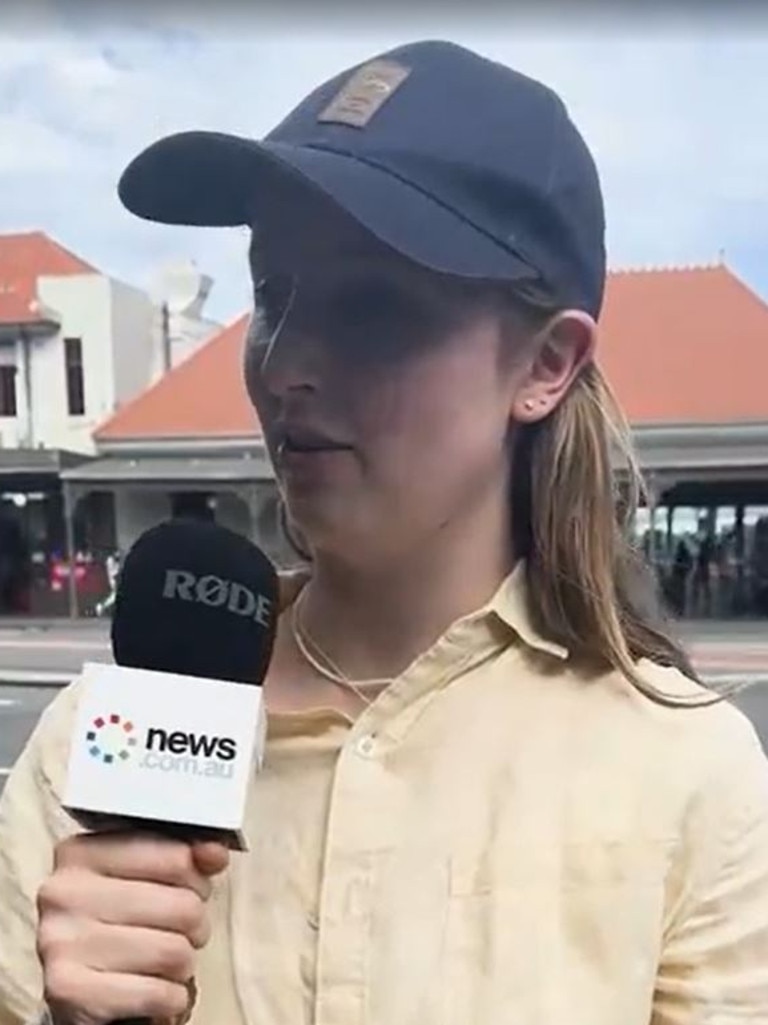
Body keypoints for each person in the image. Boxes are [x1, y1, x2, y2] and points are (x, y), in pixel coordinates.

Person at [1, 39, 767, 1025]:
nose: (284, 368)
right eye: (273, 295)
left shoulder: (686, 774)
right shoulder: (87, 745)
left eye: (373, 305)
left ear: (545, 363)